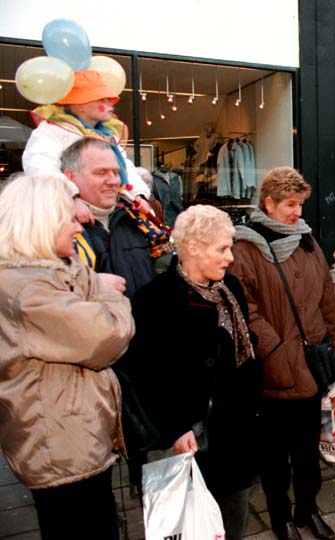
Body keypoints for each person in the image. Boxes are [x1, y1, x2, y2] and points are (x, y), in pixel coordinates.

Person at [0, 175, 134, 540]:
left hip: (76, 438)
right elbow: (107, 335)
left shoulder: (58, 269)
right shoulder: (27, 289)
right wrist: (110, 297)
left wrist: (96, 294)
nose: (80, 226)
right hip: (61, 450)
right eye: (70, 219)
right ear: (41, 221)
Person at [116, 205, 262, 540]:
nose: (230, 258)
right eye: (222, 249)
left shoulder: (231, 289)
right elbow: (144, 376)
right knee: (190, 525)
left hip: (235, 431)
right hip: (191, 439)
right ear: (193, 248)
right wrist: (175, 427)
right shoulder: (155, 300)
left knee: (232, 517)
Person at [227, 166, 335, 540]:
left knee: (309, 450)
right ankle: (281, 517)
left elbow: (326, 295)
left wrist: (332, 347)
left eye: (301, 205)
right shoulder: (245, 247)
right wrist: (274, 349)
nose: (298, 213)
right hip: (273, 371)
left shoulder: (307, 241)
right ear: (268, 203)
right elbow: (246, 310)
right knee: (275, 455)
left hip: (310, 367)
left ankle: (309, 508)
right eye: (290, 204)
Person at [22, 69, 150, 219]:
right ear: (79, 104)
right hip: (68, 216)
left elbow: (125, 168)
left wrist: (137, 195)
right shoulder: (51, 132)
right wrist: (70, 199)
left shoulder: (107, 135)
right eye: (102, 100)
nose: (110, 105)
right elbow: (41, 169)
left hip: (111, 213)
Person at [62, 138, 172, 298]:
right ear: (70, 176)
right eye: (101, 172)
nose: (113, 181)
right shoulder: (57, 229)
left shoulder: (138, 221)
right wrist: (90, 285)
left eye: (116, 172)